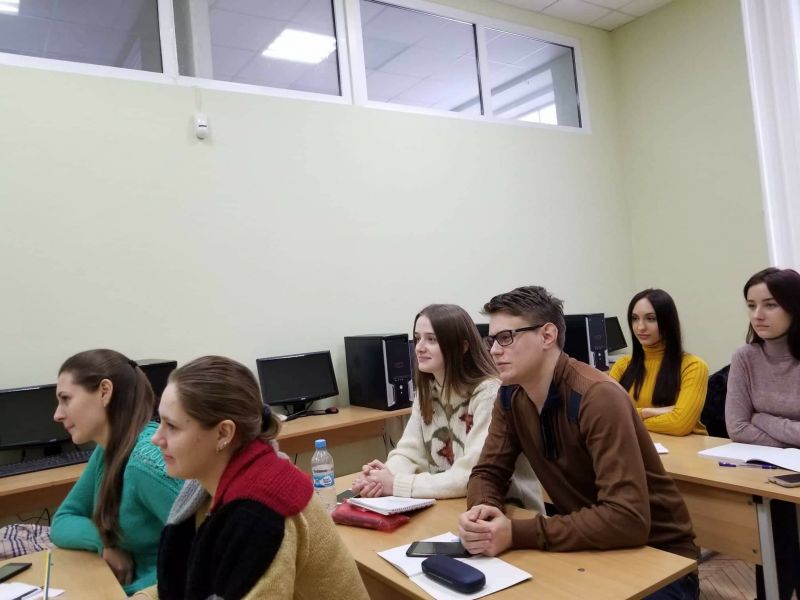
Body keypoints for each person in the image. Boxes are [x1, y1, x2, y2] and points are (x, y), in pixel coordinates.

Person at [458, 286, 699, 600]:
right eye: (491, 340)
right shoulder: (510, 396)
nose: (494, 351)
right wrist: (483, 512)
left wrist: (516, 533)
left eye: (506, 338)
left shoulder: (598, 397)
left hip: (662, 561)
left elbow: (627, 519)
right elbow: (488, 472)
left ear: (547, 336)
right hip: (592, 547)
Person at [133, 356, 368, 600]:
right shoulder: (206, 486)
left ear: (223, 433)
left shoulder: (262, 513)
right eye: (160, 422)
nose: (156, 438)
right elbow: (189, 576)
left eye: (172, 426)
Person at [351, 304, 543, 512]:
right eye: (417, 338)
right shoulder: (427, 391)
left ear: (462, 347)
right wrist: (380, 478)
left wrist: (396, 484)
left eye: (431, 339)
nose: (419, 347)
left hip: (507, 510)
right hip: (452, 504)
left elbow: (471, 474)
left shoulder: (489, 394)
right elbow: (409, 453)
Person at [50, 349, 182, 596]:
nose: (57, 414)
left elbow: (203, 554)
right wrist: (106, 543)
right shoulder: (108, 450)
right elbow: (62, 520)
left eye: (66, 399)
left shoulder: (144, 465)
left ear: (104, 391)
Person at [726, 267, 800, 599]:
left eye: (770, 305)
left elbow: (749, 422)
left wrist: (762, 417)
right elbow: (737, 427)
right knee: (773, 528)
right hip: (769, 474)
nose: (758, 315)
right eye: (751, 305)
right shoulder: (745, 357)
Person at [610, 289, 708, 436]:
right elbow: (605, 414)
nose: (640, 327)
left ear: (668, 322)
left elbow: (679, 424)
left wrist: (628, 418)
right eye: (635, 318)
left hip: (687, 446)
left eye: (650, 319)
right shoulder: (623, 365)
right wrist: (647, 412)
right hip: (640, 443)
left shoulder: (693, 366)